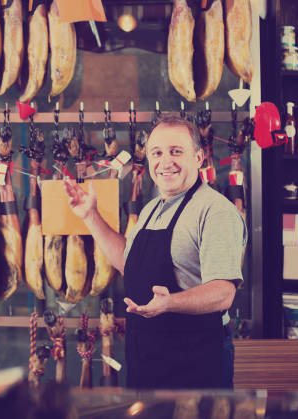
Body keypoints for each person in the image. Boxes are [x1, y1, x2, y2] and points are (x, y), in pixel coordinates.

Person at [63, 115, 247, 389]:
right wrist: (91, 217)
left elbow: (223, 292)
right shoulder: (151, 209)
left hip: (195, 360)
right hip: (148, 356)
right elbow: (131, 262)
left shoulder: (215, 211)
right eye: (157, 153)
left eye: (176, 151)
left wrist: (170, 302)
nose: (165, 162)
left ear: (198, 158)